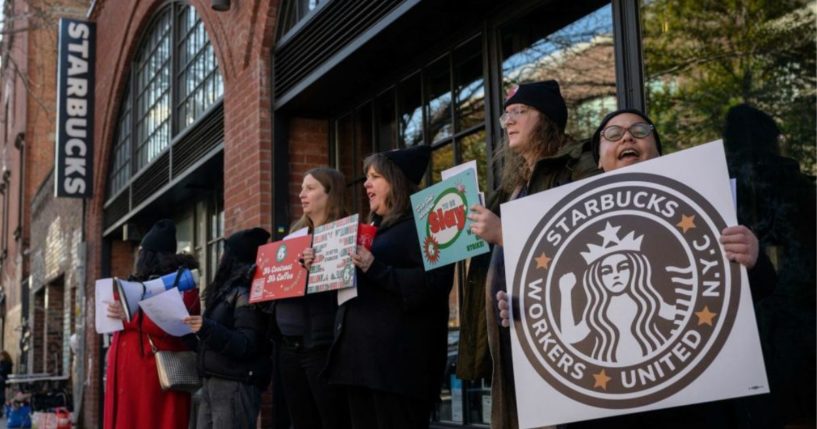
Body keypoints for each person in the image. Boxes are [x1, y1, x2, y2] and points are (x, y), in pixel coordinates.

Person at [497, 108, 777, 428]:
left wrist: (753, 259)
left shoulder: (705, 203)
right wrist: (524, 313)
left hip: (692, 406)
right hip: (601, 412)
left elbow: (756, 293)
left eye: (640, 131)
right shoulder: (557, 225)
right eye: (612, 134)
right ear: (598, 159)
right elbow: (565, 334)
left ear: (658, 151)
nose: (627, 137)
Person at [461, 80, 599, 428]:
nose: (508, 121)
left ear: (547, 119)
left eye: (519, 112)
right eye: (506, 114)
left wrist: (503, 233)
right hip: (515, 329)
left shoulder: (578, 168)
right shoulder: (513, 185)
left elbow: (582, 248)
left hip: (561, 338)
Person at [325, 145, 455, 429]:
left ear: (395, 180)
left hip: (397, 371)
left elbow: (435, 284)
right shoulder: (373, 229)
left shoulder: (428, 222)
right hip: (358, 366)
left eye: (375, 176)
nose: (367, 184)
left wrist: (377, 268)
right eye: (366, 177)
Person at [103, 219, 201, 429]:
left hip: (155, 376)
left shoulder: (182, 283)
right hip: (137, 377)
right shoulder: (138, 283)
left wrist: (131, 316)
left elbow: (176, 323)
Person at [272, 167, 350, 429]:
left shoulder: (343, 234)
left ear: (330, 193)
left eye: (310, 188)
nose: (301, 194)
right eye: (302, 187)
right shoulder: (294, 236)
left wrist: (317, 266)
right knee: (300, 420)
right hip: (289, 344)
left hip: (321, 345)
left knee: (332, 418)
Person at [183, 227, 272, 429]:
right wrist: (189, 334)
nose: (221, 256)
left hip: (234, 384)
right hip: (212, 382)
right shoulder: (227, 291)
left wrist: (206, 328)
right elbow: (214, 339)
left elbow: (246, 344)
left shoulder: (245, 292)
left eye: (226, 251)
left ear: (234, 256)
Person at [0, 351, 12, 416]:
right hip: (2, 381)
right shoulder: (1, 363)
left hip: (5, 381)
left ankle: (2, 407)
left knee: (3, 395)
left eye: (1, 356)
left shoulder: (7, 363)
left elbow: (4, 371)